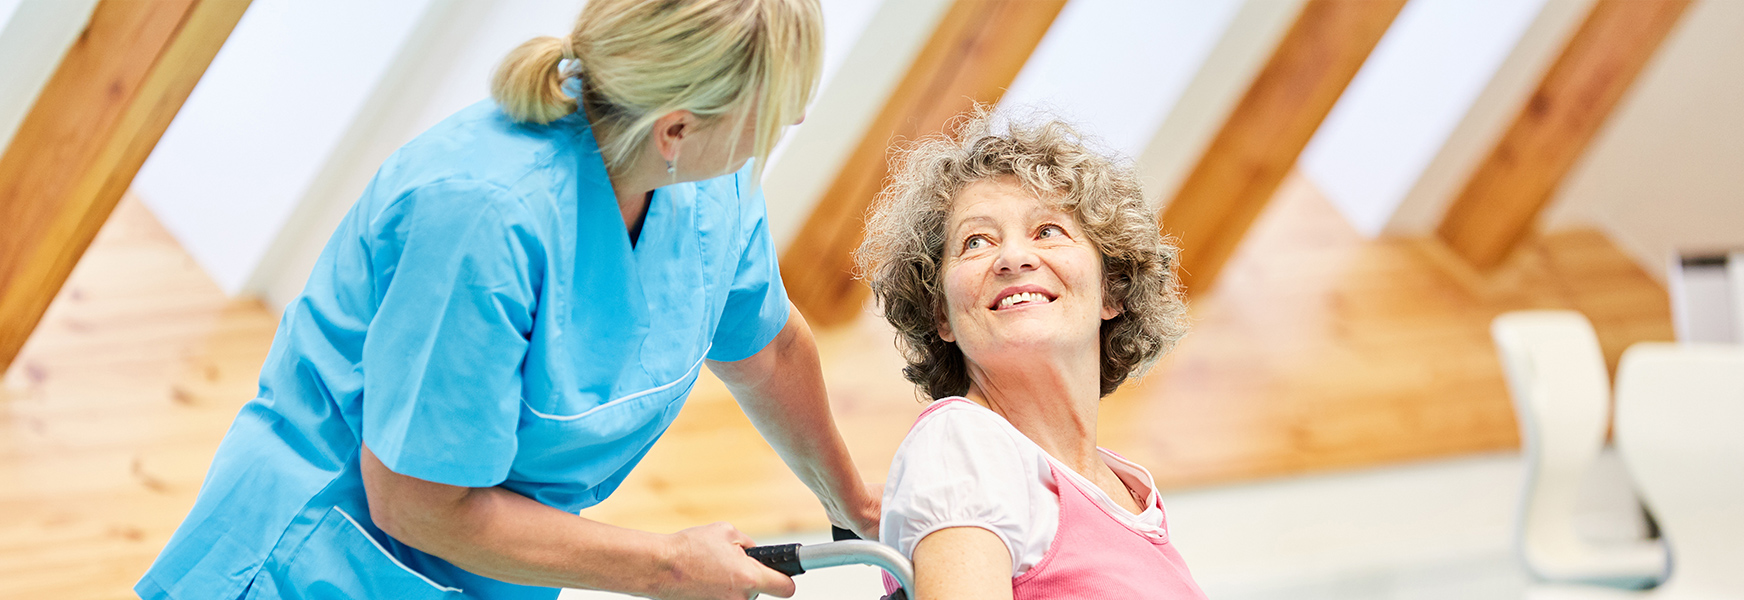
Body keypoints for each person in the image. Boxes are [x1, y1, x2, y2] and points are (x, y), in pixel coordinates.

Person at [136, 1, 879, 599]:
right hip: (318, 556)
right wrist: (667, 567)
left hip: (499, 562)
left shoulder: (708, 187)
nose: (794, 125)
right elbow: (416, 501)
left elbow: (768, 346)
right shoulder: (484, 216)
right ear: (676, 129)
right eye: (777, 109)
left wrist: (856, 507)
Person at [855, 112, 1204, 599]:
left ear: (1113, 290)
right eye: (976, 241)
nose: (1013, 258)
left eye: (1048, 230)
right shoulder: (965, 443)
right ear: (941, 315)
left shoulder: (1127, 488)